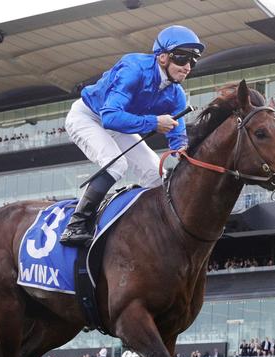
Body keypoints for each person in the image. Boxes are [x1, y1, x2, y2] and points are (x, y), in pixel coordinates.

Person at [59, 25, 204, 246]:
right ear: (163, 57)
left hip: (119, 125)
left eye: (193, 61)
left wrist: (184, 152)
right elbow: (110, 116)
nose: (188, 67)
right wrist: (154, 122)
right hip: (88, 116)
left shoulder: (177, 95)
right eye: (183, 59)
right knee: (116, 165)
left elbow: (178, 137)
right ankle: (75, 225)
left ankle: (153, 227)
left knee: (157, 173)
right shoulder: (133, 68)